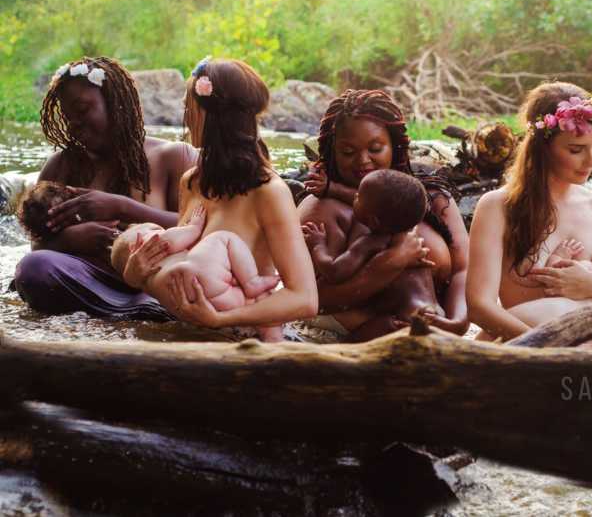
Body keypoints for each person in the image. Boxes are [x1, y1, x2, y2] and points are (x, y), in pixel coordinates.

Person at [124, 58, 318, 331]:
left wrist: (221, 319)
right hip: (189, 326)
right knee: (133, 237)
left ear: (209, 115)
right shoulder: (191, 182)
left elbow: (305, 299)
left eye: (188, 107)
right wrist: (135, 275)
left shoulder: (269, 191)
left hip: (243, 335)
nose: (186, 116)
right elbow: (184, 267)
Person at [13, 56, 197, 317]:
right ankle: (130, 312)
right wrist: (70, 239)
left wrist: (122, 207)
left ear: (115, 104)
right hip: (87, 281)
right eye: (67, 116)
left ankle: (144, 310)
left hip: (153, 284)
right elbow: (36, 246)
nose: (74, 123)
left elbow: (200, 228)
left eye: (83, 110)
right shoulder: (60, 166)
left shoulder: (172, 157)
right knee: (33, 268)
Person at [466, 82, 592, 342]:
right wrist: (546, 344)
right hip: (531, 348)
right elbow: (479, 306)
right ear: (542, 148)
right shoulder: (497, 208)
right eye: (576, 149)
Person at [296, 89, 469, 341]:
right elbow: (310, 299)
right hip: (357, 342)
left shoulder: (427, 195)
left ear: (394, 144)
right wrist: (392, 261)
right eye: (348, 152)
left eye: (375, 148)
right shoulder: (319, 209)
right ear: (332, 150)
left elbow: (463, 269)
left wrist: (457, 323)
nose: (362, 161)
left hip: (440, 327)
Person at [303, 169, 453, 340]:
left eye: (358, 197)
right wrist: (331, 188)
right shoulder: (411, 238)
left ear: (373, 220)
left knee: (350, 348)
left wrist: (318, 245)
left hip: (401, 322)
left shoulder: (372, 242)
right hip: (434, 313)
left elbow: (334, 271)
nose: (354, 197)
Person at [110, 206, 283, 341]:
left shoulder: (143, 281)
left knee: (250, 302)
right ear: (137, 244)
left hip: (198, 303)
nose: (165, 230)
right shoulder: (152, 243)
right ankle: (253, 284)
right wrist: (193, 227)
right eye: (157, 228)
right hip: (199, 274)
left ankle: (272, 336)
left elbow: (131, 280)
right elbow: (179, 238)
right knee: (224, 238)